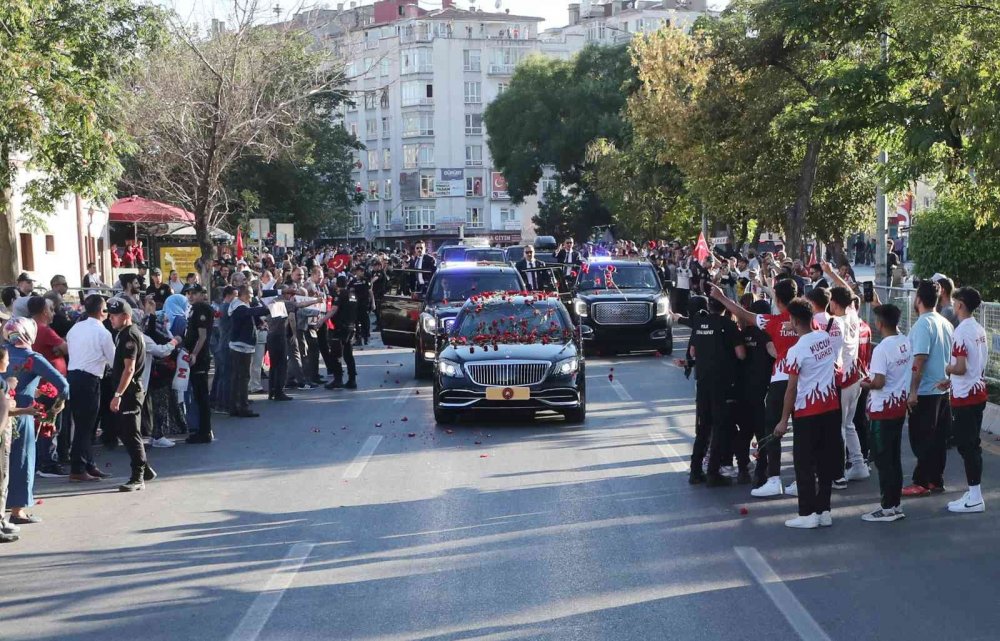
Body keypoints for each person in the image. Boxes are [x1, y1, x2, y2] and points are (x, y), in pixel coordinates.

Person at [711, 279, 801, 498]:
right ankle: (801, 479)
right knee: (802, 433)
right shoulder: (808, 321)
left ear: (777, 301)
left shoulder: (772, 322)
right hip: (804, 382)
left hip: (780, 380)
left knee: (772, 431)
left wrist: (721, 297)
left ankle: (773, 480)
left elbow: (743, 313)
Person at [773, 298, 841, 529]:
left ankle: (807, 514)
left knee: (804, 464)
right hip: (831, 409)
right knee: (825, 463)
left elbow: (791, 388)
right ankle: (824, 511)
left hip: (807, 413)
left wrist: (783, 420)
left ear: (793, 320)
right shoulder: (825, 338)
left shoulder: (796, 350)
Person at [3, 317, 69, 525]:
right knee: (21, 461)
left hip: (3, 412)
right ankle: (17, 510)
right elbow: (64, 386)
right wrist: (57, 406)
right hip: (22, 415)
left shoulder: (4, 353)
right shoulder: (32, 358)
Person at [860, 304, 912, 522]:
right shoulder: (906, 341)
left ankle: (888, 507)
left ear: (879, 324)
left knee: (883, 461)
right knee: (894, 458)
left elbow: (879, 381)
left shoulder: (882, 349)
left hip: (882, 411)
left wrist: (865, 384)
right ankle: (895, 504)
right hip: (899, 407)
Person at [686, 297, 746, 486]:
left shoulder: (699, 323)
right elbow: (741, 354)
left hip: (702, 381)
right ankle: (713, 472)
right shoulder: (728, 325)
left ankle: (695, 471)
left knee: (703, 427)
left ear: (709, 306)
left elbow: (693, 352)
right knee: (719, 426)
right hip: (722, 382)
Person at [903, 280, 954, 497]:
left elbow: (920, 359)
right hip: (942, 389)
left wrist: (913, 391)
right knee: (937, 438)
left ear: (918, 299)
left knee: (921, 437)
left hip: (926, 391)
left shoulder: (924, 324)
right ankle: (935, 479)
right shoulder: (945, 323)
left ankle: (922, 481)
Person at [943, 287, 988, 513]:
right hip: (976, 393)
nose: (952, 305)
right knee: (971, 445)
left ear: (960, 304)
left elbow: (960, 367)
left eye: (954, 302)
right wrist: (951, 381)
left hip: (965, 398)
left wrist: (948, 368)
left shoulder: (961, 332)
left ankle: (976, 496)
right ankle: (972, 492)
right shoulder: (979, 329)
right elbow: (975, 364)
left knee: (967, 446)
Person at [66, 295, 116, 483]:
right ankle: (78, 468)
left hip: (74, 376)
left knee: (85, 424)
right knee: (85, 426)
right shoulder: (103, 333)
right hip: (89, 378)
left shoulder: (75, 328)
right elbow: (113, 359)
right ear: (102, 311)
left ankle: (88, 464)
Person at [0, 345, 48, 542]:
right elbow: (5, 409)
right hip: (2, 436)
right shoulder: (3, 383)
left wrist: (25, 410)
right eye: (6, 359)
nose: (9, 362)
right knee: (2, 479)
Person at [105, 299, 152, 492]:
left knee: (131, 433)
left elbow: (129, 368)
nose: (111, 319)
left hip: (130, 391)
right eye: (109, 315)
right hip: (126, 390)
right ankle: (144, 467)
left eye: (115, 315)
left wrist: (118, 394)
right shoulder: (123, 334)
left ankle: (138, 476)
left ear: (126, 316)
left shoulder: (129, 336)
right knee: (124, 431)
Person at [735, 299, 776, 485]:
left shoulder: (743, 334)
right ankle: (761, 471)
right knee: (762, 432)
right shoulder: (767, 335)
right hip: (762, 391)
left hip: (743, 390)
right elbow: (775, 353)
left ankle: (743, 468)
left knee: (744, 431)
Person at [29, 297, 70, 478]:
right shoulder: (44, 330)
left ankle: (44, 460)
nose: (53, 313)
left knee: (44, 423)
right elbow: (66, 348)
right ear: (44, 312)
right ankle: (47, 463)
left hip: (44, 384)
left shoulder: (32, 329)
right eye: (51, 309)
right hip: (49, 386)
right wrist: (60, 347)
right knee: (49, 424)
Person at [228, 285, 270, 417]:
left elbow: (249, 317)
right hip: (241, 347)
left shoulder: (240, 306)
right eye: (250, 294)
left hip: (240, 346)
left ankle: (235, 405)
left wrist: (259, 324)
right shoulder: (239, 307)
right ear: (243, 295)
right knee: (243, 377)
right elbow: (251, 312)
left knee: (237, 377)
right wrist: (267, 308)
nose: (251, 297)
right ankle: (242, 407)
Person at [183, 285, 215, 443]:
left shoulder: (201, 309)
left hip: (200, 358)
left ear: (201, 294)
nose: (191, 296)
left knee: (201, 396)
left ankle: (205, 432)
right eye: (189, 293)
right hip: (194, 355)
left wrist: (194, 354)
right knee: (198, 395)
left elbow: (201, 336)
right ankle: (204, 429)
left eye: (194, 293)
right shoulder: (194, 309)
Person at [323, 276, 358, 390]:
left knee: (335, 355)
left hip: (340, 328)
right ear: (347, 283)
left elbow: (334, 310)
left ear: (337, 285)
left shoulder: (340, 295)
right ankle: (352, 380)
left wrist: (321, 320)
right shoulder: (353, 295)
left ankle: (338, 380)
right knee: (348, 355)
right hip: (351, 327)